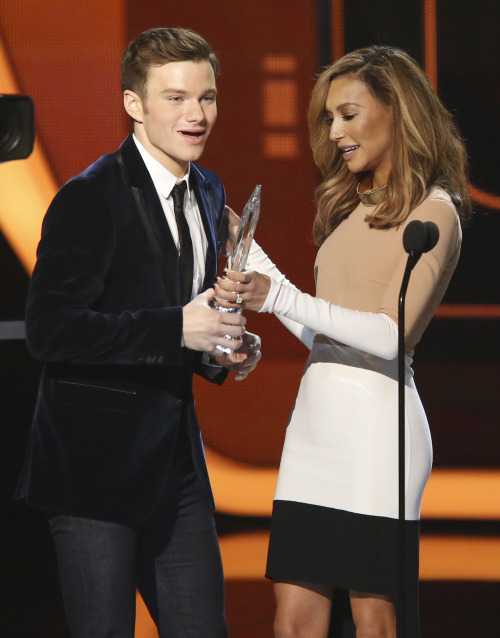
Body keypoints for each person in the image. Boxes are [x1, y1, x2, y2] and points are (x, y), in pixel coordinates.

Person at [215, 45, 471, 638]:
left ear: (397, 111)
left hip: (378, 436)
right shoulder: (358, 207)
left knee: (375, 620)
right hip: (315, 432)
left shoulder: (437, 213)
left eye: (349, 114)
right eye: (329, 119)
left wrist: (276, 295)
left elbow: (390, 334)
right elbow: (321, 330)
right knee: (294, 619)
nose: (335, 132)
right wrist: (249, 254)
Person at [15, 27, 261, 638]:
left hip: (175, 464)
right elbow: (50, 330)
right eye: (176, 98)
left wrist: (224, 348)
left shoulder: (208, 190)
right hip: (93, 469)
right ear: (135, 105)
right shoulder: (89, 197)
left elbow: (192, 316)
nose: (196, 114)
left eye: (206, 98)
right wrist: (177, 328)